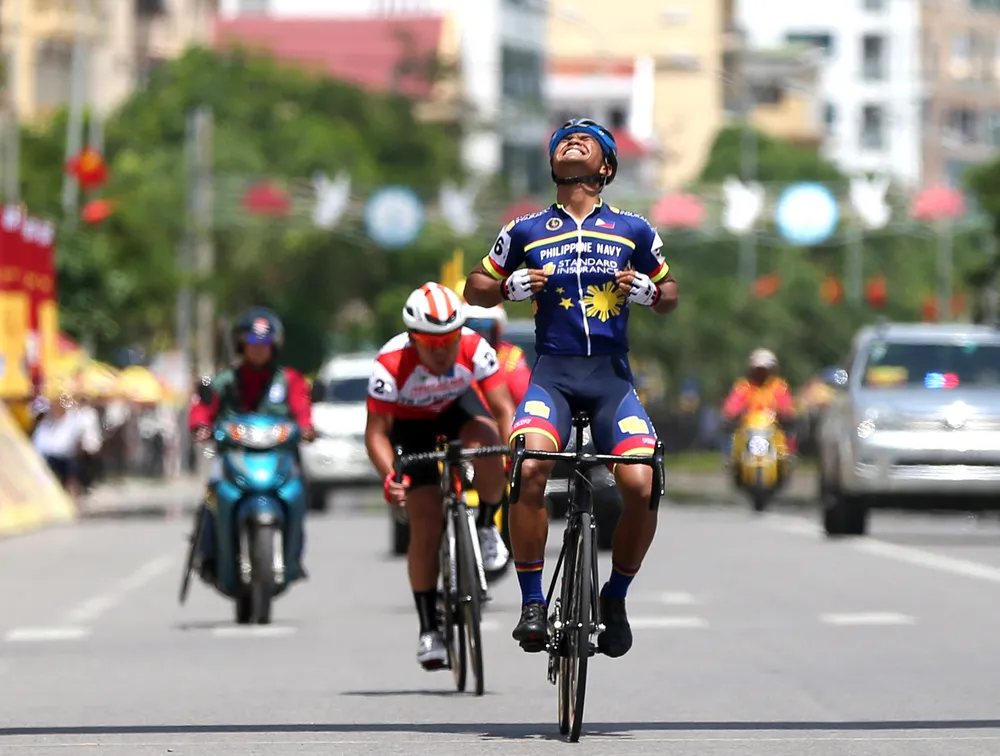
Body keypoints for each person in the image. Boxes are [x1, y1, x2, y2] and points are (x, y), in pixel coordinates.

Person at [463, 117, 678, 659]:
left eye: (588, 139)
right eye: (564, 139)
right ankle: (533, 602)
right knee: (529, 467)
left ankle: (615, 597)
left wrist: (652, 292)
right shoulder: (526, 229)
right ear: (553, 164)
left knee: (642, 483)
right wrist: (506, 287)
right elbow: (474, 286)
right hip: (553, 378)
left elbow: (672, 292)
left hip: (610, 380)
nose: (573, 140)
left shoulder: (633, 229)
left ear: (606, 168)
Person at [365, 282, 516, 670]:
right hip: (410, 427)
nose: (442, 351)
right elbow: (376, 434)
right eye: (431, 343)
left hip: (455, 410)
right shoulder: (389, 363)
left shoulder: (475, 348)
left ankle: (487, 525)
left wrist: (514, 452)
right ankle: (429, 629)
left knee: (489, 442)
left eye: (449, 341)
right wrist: (390, 477)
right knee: (426, 524)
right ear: (412, 337)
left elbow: (503, 409)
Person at [188, 307, 316, 582]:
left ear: (274, 345)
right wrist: (200, 425)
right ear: (241, 344)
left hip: (279, 457)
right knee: (212, 498)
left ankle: (294, 556)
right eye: (252, 343)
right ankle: (208, 554)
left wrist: (306, 428)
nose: (259, 349)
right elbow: (203, 408)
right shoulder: (224, 380)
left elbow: (303, 410)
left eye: (265, 343)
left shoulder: (290, 380)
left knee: (299, 494)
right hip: (232, 456)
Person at [721, 348, 797, 455]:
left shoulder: (779, 387)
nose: (761, 373)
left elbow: (787, 408)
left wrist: (784, 413)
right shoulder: (743, 387)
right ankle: (731, 458)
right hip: (747, 430)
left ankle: (788, 457)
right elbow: (732, 407)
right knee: (731, 439)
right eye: (758, 370)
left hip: (773, 430)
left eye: (765, 370)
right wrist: (734, 413)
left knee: (788, 438)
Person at [464, 303, 532, 407]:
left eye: (487, 325)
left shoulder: (510, 359)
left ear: (499, 328)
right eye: (472, 325)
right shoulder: (455, 356)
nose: (480, 333)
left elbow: (526, 399)